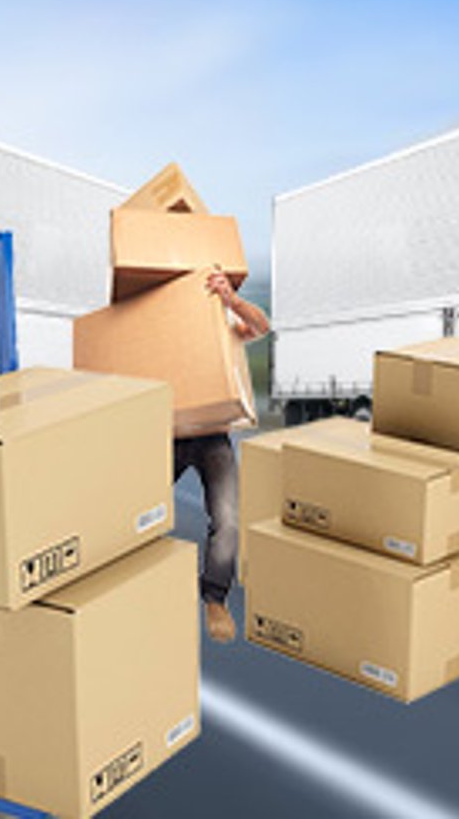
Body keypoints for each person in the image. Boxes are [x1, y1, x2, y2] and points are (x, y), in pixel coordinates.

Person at [175, 268, 269, 643]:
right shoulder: (157, 329)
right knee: (131, 505)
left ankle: (215, 599)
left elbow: (261, 327)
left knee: (227, 518)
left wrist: (232, 302)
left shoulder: (224, 322)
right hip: (169, 434)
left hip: (214, 436)